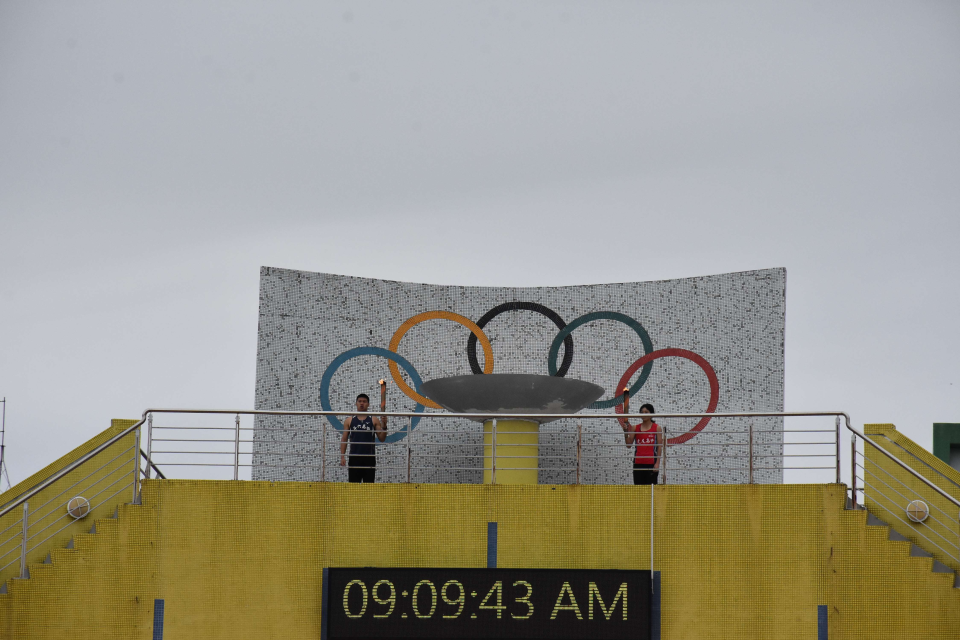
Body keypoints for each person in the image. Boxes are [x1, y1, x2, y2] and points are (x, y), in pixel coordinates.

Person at [339, 381, 388, 483]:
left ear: (368, 404)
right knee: (353, 486)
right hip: (354, 457)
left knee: (368, 487)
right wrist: (342, 456)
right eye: (360, 401)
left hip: (369, 458)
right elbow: (344, 439)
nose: (362, 403)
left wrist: (384, 426)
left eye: (364, 401)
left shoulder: (374, 419)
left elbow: (382, 438)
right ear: (356, 403)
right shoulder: (349, 420)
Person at [619, 390, 662, 485]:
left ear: (651, 414)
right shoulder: (635, 427)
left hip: (651, 463)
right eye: (642, 412)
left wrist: (657, 463)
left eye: (646, 412)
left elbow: (659, 447)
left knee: (651, 489)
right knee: (639, 490)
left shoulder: (657, 428)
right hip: (638, 463)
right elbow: (629, 444)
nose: (643, 414)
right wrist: (625, 431)